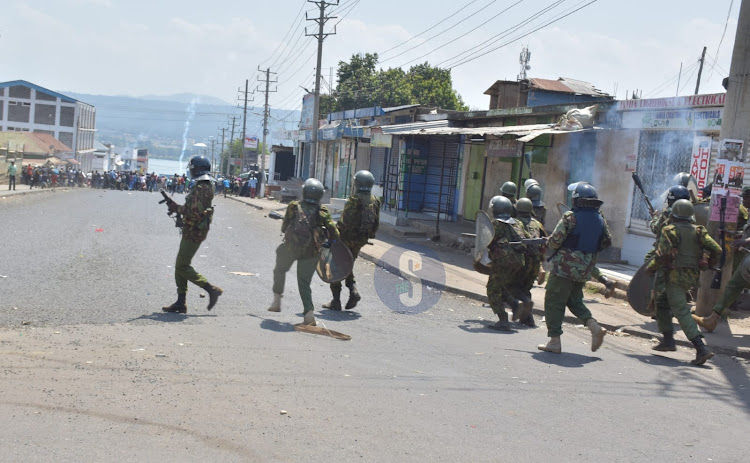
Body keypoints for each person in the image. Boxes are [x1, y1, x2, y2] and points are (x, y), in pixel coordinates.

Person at [538, 182, 610, 354]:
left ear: (576, 200)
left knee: (554, 301)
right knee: (574, 300)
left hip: (564, 268)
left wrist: (549, 241)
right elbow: (606, 241)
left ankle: (554, 341)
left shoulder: (571, 217)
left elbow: (555, 241)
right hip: (585, 269)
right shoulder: (601, 219)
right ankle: (594, 328)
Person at [649, 199, 721, 365]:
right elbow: (717, 249)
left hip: (674, 277)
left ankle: (701, 349)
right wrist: (709, 264)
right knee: (662, 303)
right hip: (691, 276)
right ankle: (668, 340)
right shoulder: (699, 231)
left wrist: (651, 268)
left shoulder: (670, 230)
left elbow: (662, 255)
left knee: (681, 311)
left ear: (673, 215)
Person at [267, 178, 339, 326]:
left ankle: (276, 300)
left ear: (304, 191)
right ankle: (309, 314)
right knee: (304, 283)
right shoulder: (322, 211)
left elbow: (283, 228)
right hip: (311, 252)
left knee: (280, 270)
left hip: (290, 248)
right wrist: (327, 240)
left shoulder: (294, 206)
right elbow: (334, 233)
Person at [161, 155, 223, 314]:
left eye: (193, 168)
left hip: (194, 230)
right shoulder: (207, 185)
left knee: (182, 265)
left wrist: (176, 208)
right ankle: (181, 302)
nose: (191, 170)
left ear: (198, 169)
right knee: (180, 264)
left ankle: (210, 289)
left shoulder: (201, 187)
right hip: (195, 229)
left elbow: (193, 212)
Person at [323, 170, 380, 311]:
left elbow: (344, 222)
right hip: (361, 240)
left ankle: (336, 301)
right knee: (347, 264)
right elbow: (376, 223)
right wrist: (368, 236)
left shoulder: (354, 200)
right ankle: (353, 290)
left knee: (335, 266)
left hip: (346, 239)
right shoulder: (375, 200)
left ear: (357, 183)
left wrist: (334, 234)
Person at [485, 195, 532, 331]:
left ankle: (503, 320)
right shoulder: (518, 223)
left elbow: (488, 240)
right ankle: (517, 305)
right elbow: (527, 240)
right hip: (518, 262)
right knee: (503, 286)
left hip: (503, 262)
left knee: (493, 290)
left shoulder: (497, 224)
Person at [513, 198, 546, 327]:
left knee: (511, 286)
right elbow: (544, 244)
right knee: (526, 287)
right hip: (536, 262)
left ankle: (525, 303)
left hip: (521, 261)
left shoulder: (515, 223)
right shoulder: (538, 224)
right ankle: (528, 319)